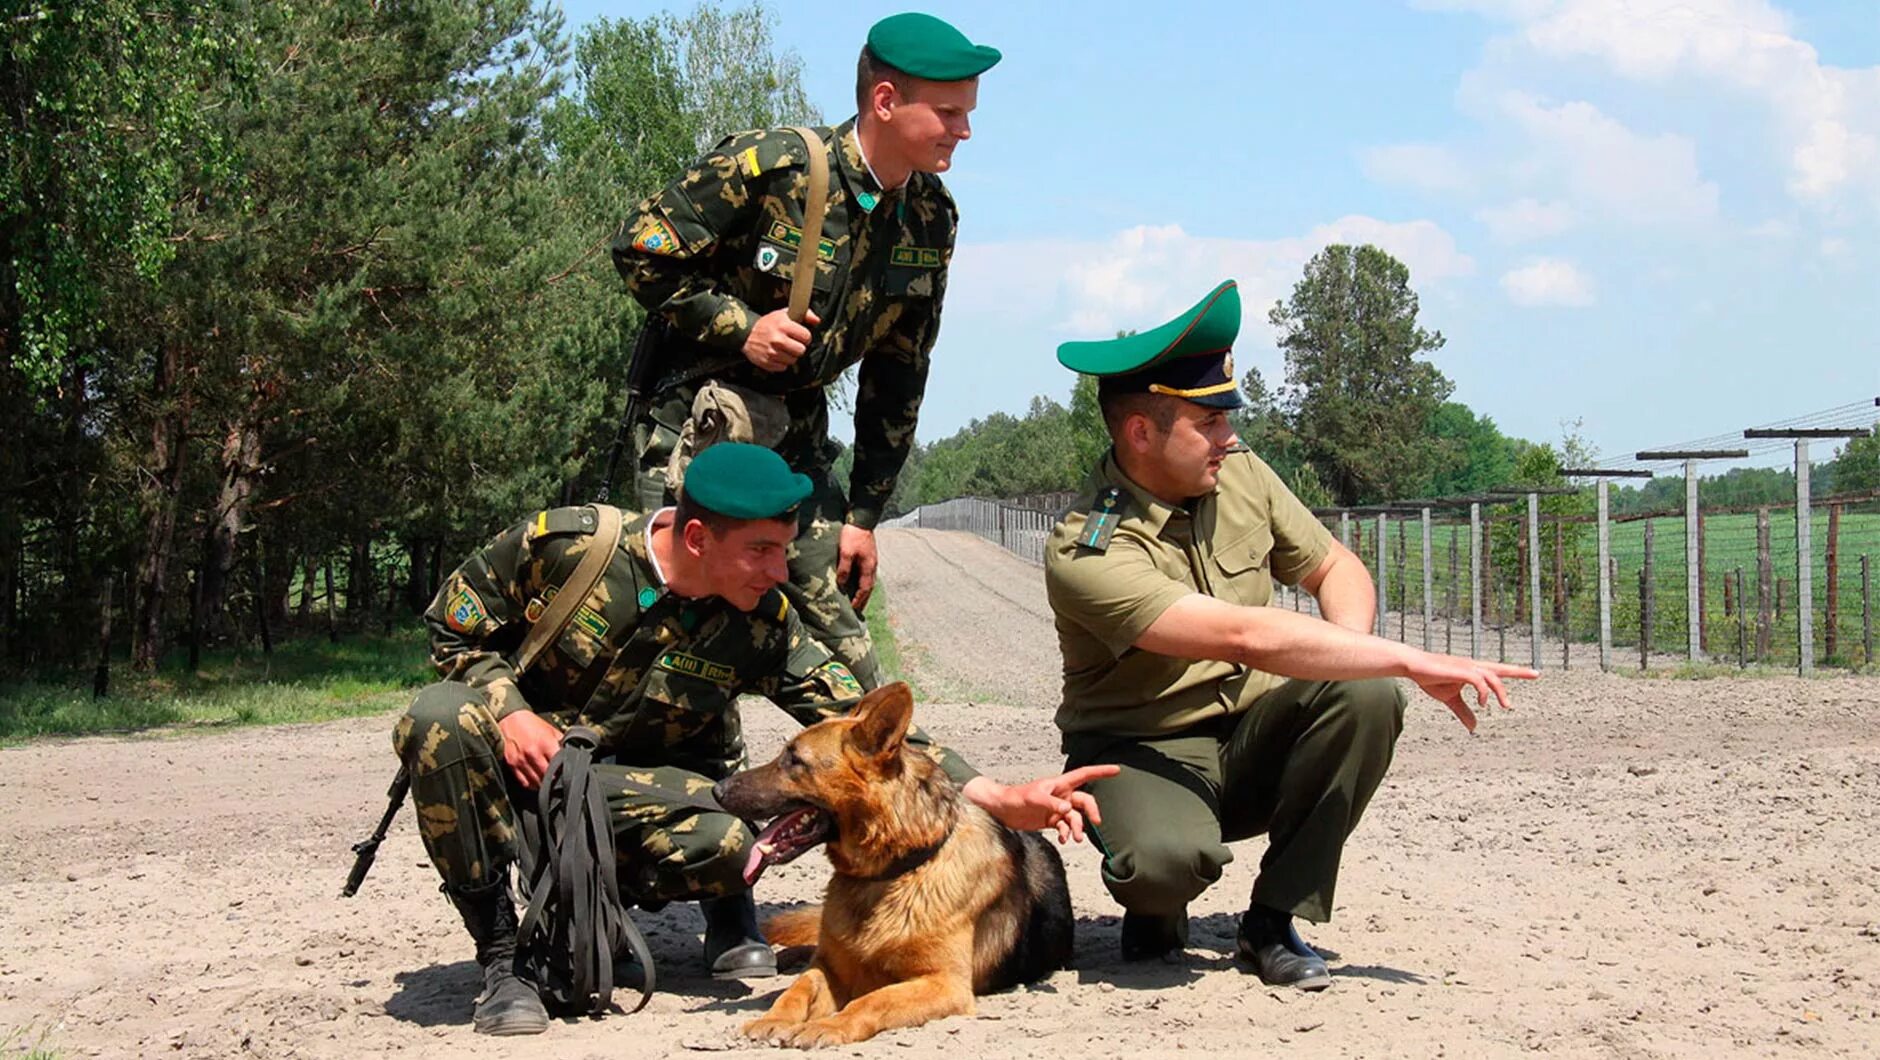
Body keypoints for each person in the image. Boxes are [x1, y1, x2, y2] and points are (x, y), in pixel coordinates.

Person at [394, 443, 1111, 1036]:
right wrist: (510, 707)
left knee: (730, 843)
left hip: (626, 793)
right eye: (762, 551)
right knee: (438, 719)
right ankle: (499, 961)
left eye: (785, 551)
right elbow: (451, 624)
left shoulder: (763, 620)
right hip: (525, 764)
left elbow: (861, 722)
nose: (779, 572)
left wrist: (993, 793)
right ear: (697, 538)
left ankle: (614, 907)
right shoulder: (569, 547)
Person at [1041, 280, 1537, 989]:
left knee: (1367, 697)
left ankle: (1272, 921)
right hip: (1143, 750)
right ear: (1141, 433)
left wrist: (1351, 663)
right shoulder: (1087, 550)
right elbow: (1244, 634)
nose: (1229, 436)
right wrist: (1405, 656)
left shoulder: (1240, 475)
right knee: (1161, 866)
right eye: (1208, 422)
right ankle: (1161, 900)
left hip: (1255, 732)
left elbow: (1335, 566)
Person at [611, 12, 1000, 692]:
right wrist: (741, 328)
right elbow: (641, 249)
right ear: (885, 100)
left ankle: (884, 788)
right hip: (694, 438)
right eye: (947, 113)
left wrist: (865, 516)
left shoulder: (931, 218)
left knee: (849, 661)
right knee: (672, 639)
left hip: (793, 445)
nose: (964, 131)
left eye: (966, 114)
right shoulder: (772, 166)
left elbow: (899, 375)